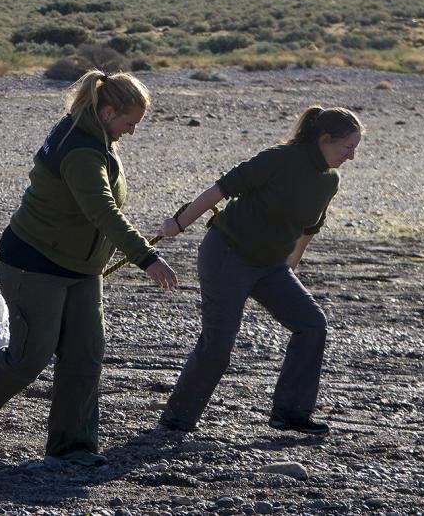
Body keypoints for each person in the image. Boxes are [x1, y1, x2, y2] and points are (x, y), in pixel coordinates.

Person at [0, 69, 178, 466]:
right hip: (35, 264)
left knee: (85, 354)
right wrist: (147, 259)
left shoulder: (93, 133)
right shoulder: (81, 149)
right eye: (129, 123)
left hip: (81, 269)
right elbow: (103, 211)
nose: (132, 131)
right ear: (108, 110)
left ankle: (73, 447)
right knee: (29, 356)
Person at [155, 105, 364, 435]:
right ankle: (176, 419)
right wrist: (178, 224)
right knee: (219, 343)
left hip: (270, 266)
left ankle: (291, 413)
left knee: (312, 324)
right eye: (347, 148)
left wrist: (288, 270)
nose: (351, 156)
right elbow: (220, 189)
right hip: (228, 254)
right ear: (325, 139)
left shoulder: (329, 181)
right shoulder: (280, 158)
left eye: (354, 149)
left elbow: (309, 230)